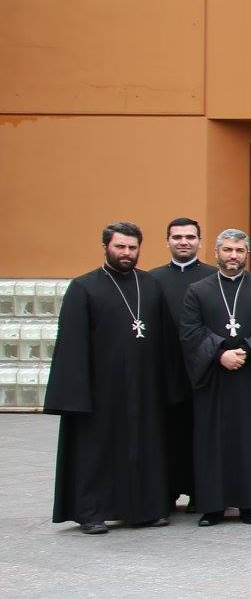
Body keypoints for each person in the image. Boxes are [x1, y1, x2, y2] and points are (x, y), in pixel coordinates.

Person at [47, 221, 181, 534]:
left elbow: (165, 340)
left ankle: (143, 510)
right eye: (120, 246)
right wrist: (75, 395)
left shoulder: (149, 285)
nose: (126, 253)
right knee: (96, 453)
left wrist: (169, 387)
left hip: (143, 388)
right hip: (100, 390)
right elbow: (72, 344)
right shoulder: (84, 287)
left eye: (132, 247)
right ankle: (91, 512)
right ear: (106, 246)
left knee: (142, 450)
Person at [180, 229, 251, 525]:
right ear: (216, 252)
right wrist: (219, 354)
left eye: (239, 251)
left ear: (247, 254)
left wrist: (247, 351)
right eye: (228, 250)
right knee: (213, 441)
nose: (233, 256)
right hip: (214, 378)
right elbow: (190, 332)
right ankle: (213, 506)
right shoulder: (198, 289)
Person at [147, 216, 211, 509]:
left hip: (207, 371)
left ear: (200, 241)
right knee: (167, 436)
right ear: (167, 241)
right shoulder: (151, 281)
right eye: (177, 237)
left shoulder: (213, 278)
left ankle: (204, 492)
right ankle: (165, 492)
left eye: (190, 237)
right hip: (166, 371)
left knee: (203, 435)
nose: (184, 242)